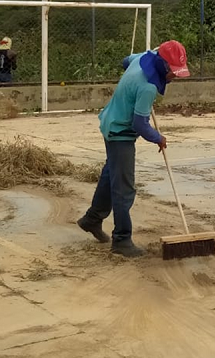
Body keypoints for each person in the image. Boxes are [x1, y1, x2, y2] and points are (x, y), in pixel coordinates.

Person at [76, 40, 191, 257]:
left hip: (109, 122)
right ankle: (121, 240)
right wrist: (159, 138)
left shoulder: (140, 58)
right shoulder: (147, 87)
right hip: (120, 133)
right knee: (124, 188)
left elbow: (124, 61)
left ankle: (92, 219)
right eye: (173, 72)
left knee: (111, 175)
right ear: (163, 65)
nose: (175, 77)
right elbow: (140, 124)